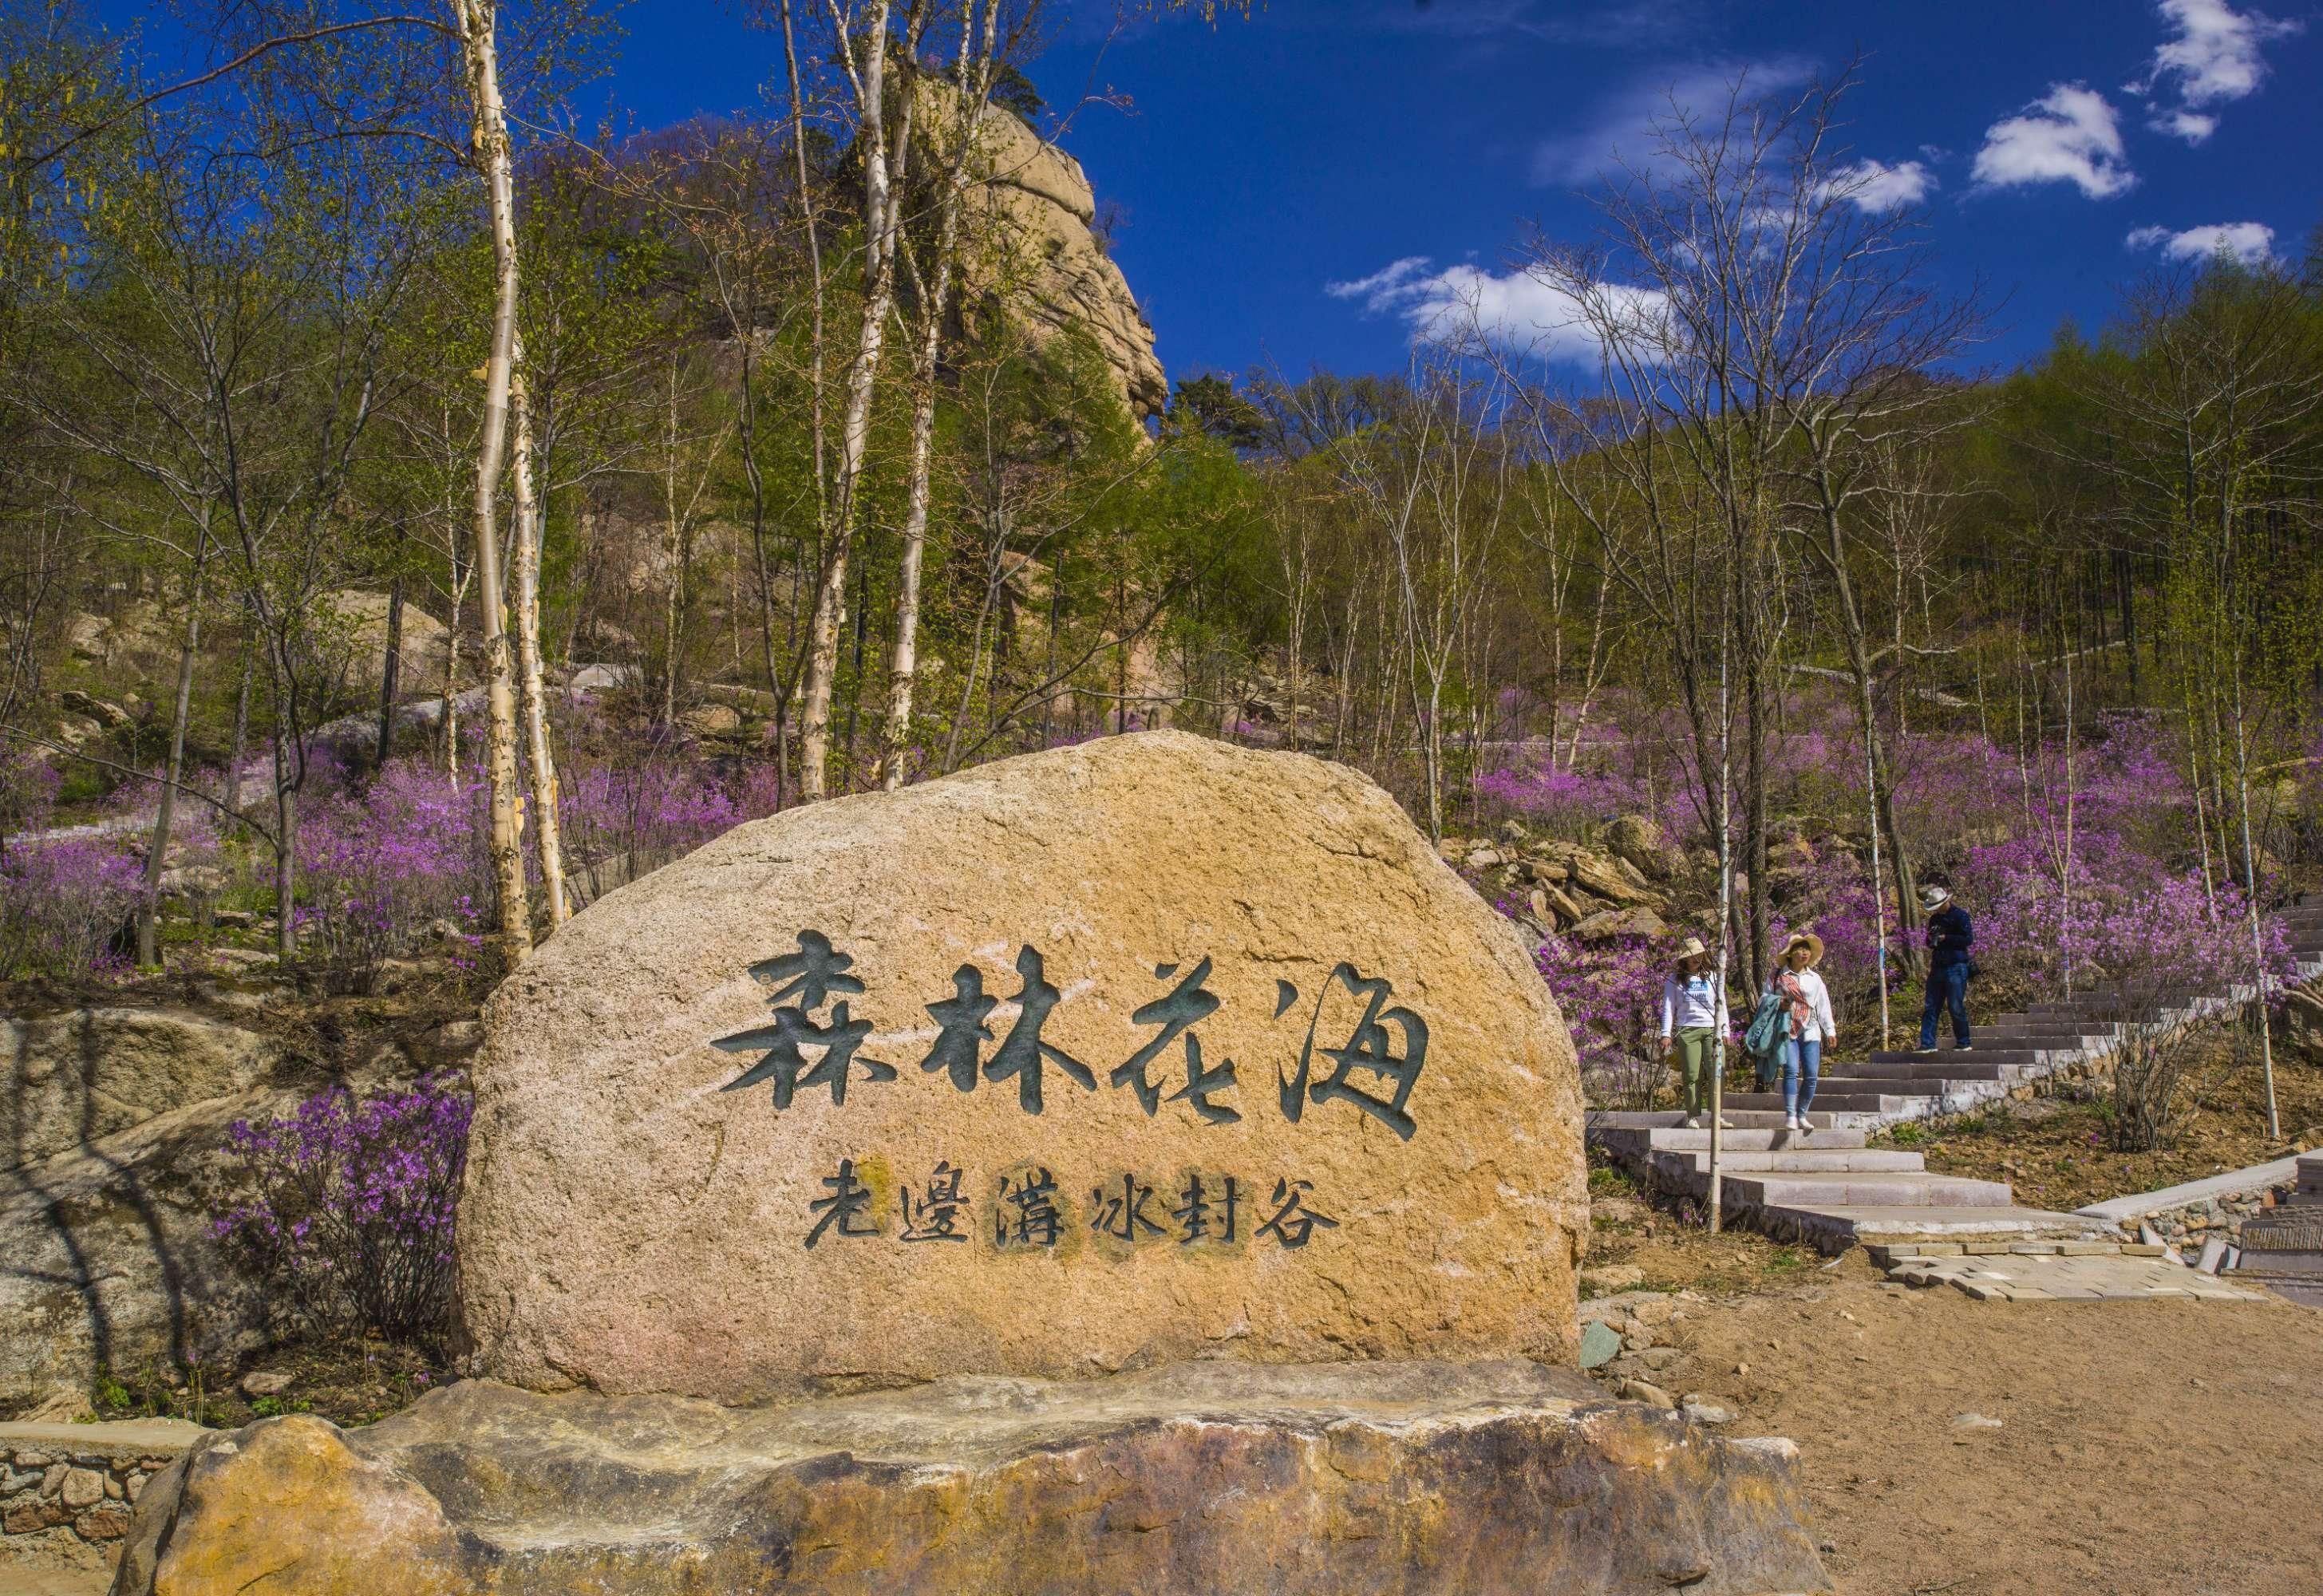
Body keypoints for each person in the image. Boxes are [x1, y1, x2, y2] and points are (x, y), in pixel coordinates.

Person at [1768, 932, 1837, 1132]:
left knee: (1812, 1075)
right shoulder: (1778, 977)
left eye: (1807, 949)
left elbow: (1823, 1006)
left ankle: (1802, 1114)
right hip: (1787, 1029)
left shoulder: (1815, 978)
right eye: (1800, 949)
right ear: (1790, 953)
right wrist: (1777, 1004)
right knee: (1791, 1071)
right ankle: (1790, 1115)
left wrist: (1830, 1030)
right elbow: (1765, 999)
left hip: (1811, 1030)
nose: (1804, 953)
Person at [1659, 937, 1730, 1130]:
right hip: (1687, 1029)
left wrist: (1725, 1029)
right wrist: (1666, 1033)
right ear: (1684, 958)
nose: (1696, 958)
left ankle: (1717, 1115)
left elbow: (1721, 1004)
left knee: (1717, 1072)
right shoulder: (1674, 980)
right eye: (1692, 955)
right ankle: (1692, 1115)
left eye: (1699, 954)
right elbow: (1668, 1007)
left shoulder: (1713, 977)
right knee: (1692, 1075)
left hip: (1711, 1030)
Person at [1917, 884, 1974, 1054]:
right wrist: (1932, 939)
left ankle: (1964, 1041)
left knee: (1956, 1006)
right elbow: (1929, 943)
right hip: (1938, 966)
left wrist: (1946, 937)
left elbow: (1968, 939)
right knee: (1931, 1005)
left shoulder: (1960, 916)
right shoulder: (1934, 920)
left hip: (1956, 965)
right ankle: (1927, 1043)